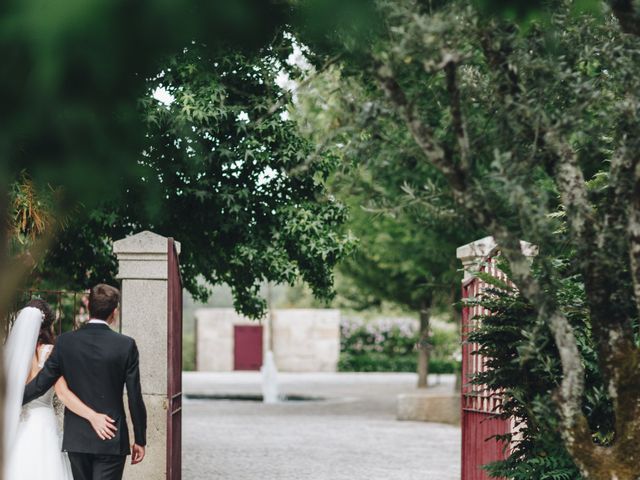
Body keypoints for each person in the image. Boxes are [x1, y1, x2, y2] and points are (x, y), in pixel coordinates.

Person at [22, 285, 147, 480]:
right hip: (111, 437)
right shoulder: (126, 345)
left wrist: (10, 401)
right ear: (114, 313)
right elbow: (134, 396)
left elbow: (39, 385)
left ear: (89, 307)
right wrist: (140, 439)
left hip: (77, 440)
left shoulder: (65, 342)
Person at [4, 299, 117, 480]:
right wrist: (93, 416)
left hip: (17, 427)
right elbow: (63, 394)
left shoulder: (10, 356)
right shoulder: (50, 352)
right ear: (49, 324)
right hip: (43, 425)